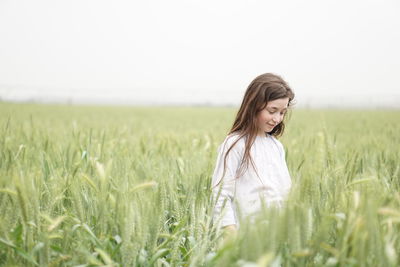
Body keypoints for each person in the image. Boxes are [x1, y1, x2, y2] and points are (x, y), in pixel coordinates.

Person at [210, 73, 295, 236]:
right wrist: (230, 233)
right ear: (254, 105)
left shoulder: (276, 147)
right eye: (272, 111)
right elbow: (221, 193)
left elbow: (285, 191)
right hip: (245, 237)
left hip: (274, 235)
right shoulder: (235, 143)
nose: (277, 118)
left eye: (282, 112)